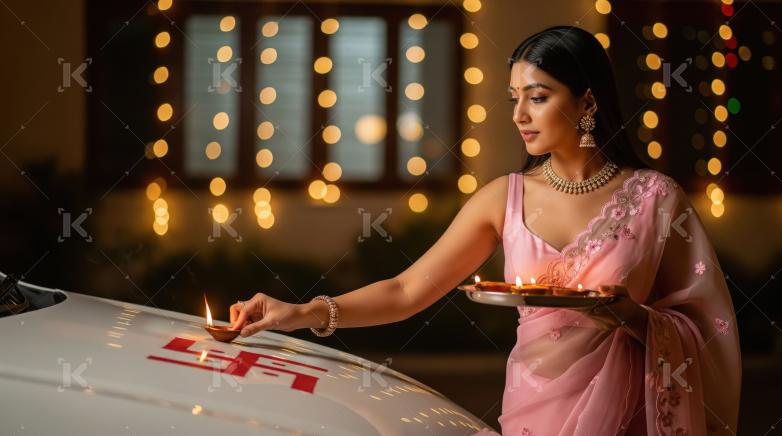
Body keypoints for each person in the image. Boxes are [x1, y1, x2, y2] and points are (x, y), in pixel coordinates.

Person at [230, 26, 741, 435]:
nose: (518, 114)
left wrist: (633, 317)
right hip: (533, 409)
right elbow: (407, 289)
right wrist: (301, 312)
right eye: (514, 96)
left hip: (629, 412)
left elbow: (703, 324)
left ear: (588, 103)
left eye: (537, 97)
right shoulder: (505, 196)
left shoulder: (655, 198)